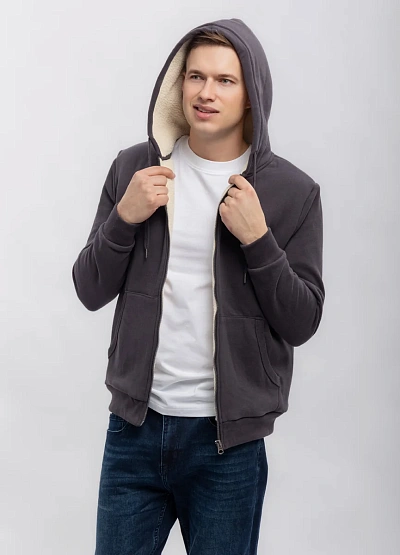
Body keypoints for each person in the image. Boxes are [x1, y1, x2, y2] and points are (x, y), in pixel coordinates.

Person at [72, 17, 325, 555]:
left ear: (251, 95)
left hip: (227, 446)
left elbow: (302, 321)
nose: (205, 93)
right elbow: (89, 288)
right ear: (178, 82)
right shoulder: (135, 169)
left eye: (224, 80)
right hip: (134, 432)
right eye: (195, 76)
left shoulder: (292, 191)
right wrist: (123, 217)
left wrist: (258, 240)